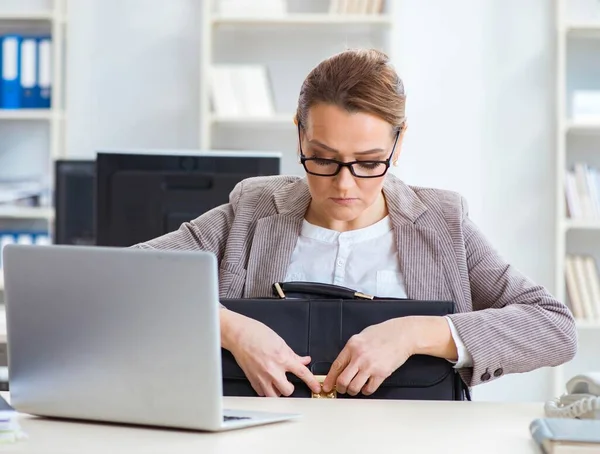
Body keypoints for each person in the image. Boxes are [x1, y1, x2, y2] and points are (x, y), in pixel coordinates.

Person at [133, 48, 577, 398]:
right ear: (299, 135)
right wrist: (230, 329)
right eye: (323, 159)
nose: (344, 184)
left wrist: (419, 331)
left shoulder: (444, 223)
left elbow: (553, 327)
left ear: (398, 143)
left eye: (368, 162)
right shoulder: (251, 211)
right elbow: (125, 279)